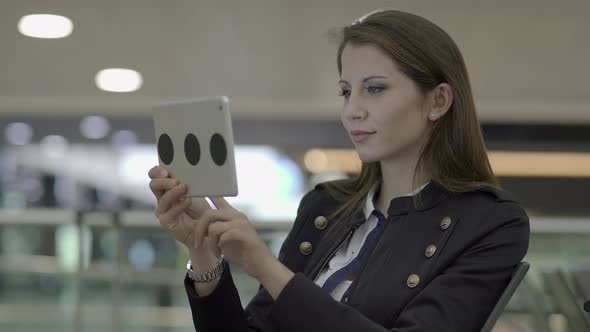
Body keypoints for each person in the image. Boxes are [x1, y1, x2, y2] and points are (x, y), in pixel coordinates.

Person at [148, 9, 530, 332]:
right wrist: (203, 254)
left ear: (439, 101)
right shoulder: (324, 207)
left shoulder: (491, 223)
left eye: (375, 89)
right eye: (347, 91)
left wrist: (263, 266)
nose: (352, 110)